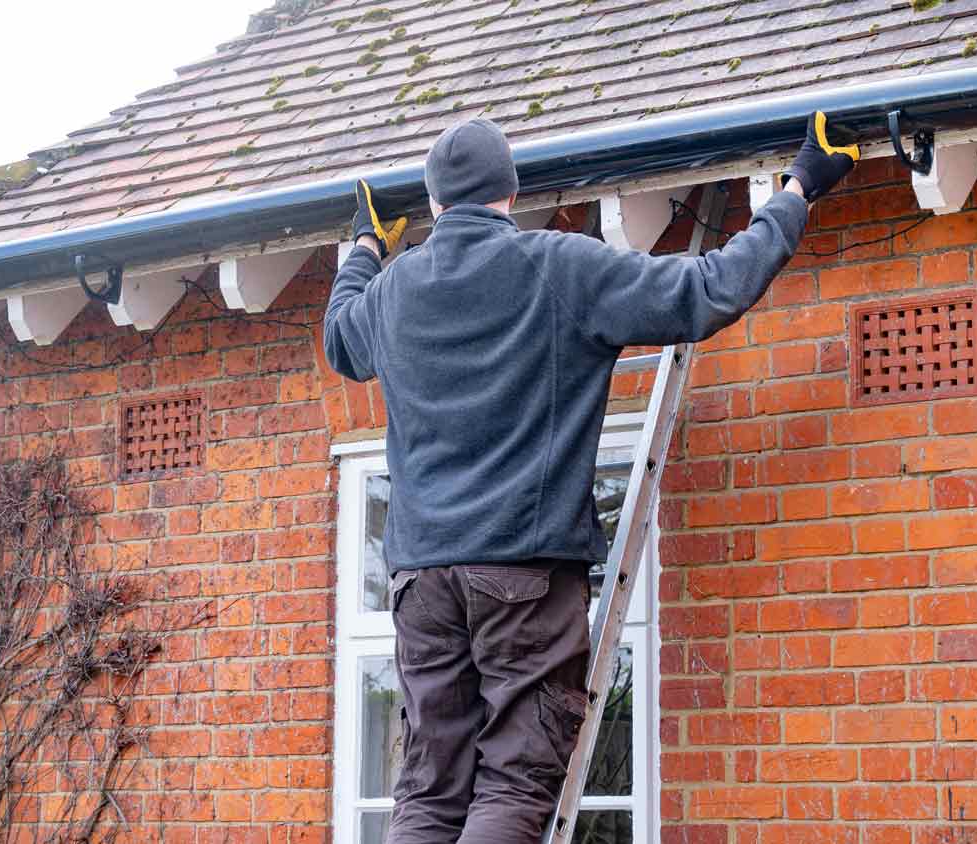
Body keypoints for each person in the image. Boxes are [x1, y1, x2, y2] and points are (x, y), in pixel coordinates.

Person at [324, 113, 858, 844]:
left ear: (436, 204)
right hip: (520, 570)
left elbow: (339, 336)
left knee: (428, 792)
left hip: (420, 580)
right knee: (513, 784)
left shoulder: (394, 292)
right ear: (509, 195)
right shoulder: (561, 266)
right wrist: (800, 185)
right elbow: (711, 288)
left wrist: (363, 243)